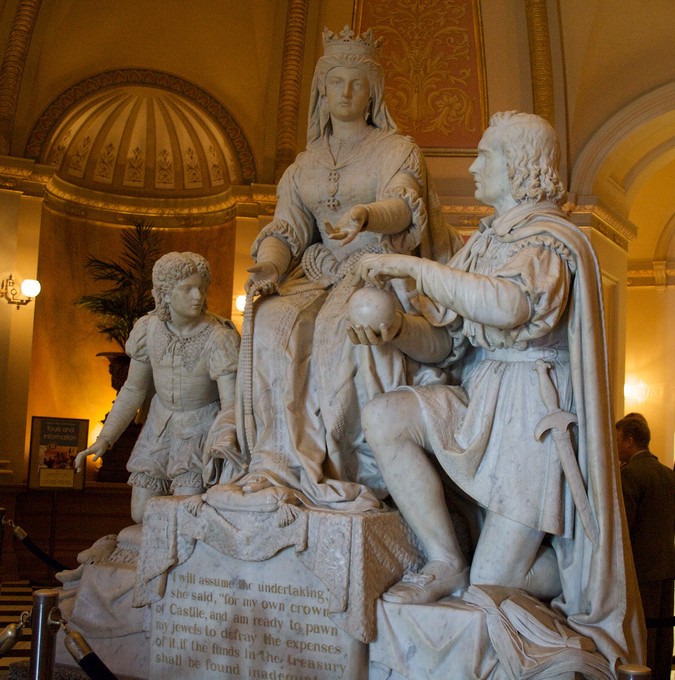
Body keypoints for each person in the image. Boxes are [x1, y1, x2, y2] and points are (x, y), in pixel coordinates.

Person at [356, 111, 644, 668]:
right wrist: (393, 328)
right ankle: (445, 559)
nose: (472, 166)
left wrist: (406, 267)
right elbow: (447, 346)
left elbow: (507, 305)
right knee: (386, 416)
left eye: (483, 156)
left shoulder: (552, 242)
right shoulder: (485, 243)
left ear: (516, 165)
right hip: (480, 399)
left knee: (491, 588)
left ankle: (571, 567)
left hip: (529, 420)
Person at [228, 26, 459, 511]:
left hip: (376, 268)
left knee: (344, 328)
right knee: (270, 319)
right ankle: (278, 461)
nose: (346, 93)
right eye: (336, 82)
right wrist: (269, 267)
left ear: (372, 90)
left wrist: (366, 216)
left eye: (356, 83)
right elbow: (286, 229)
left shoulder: (396, 148)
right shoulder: (303, 165)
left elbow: (404, 204)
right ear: (321, 88)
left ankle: (344, 462)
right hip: (316, 271)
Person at [75, 252, 243, 523]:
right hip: (159, 426)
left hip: (200, 428)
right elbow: (133, 390)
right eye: (187, 289)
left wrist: (226, 443)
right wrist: (105, 438)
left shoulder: (219, 337)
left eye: (201, 288)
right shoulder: (148, 329)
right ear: (165, 294)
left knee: (184, 514)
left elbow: (232, 404)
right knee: (141, 514)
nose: (197, 296)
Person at [617, 414, 675, 680]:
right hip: (667, 565)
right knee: (663, 633)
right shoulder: (667, 475)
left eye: (618, 440)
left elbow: (624, 529)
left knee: (642, 632)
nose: (616, 446)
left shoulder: (630, 474)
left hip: (640, 568)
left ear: (630, 440)